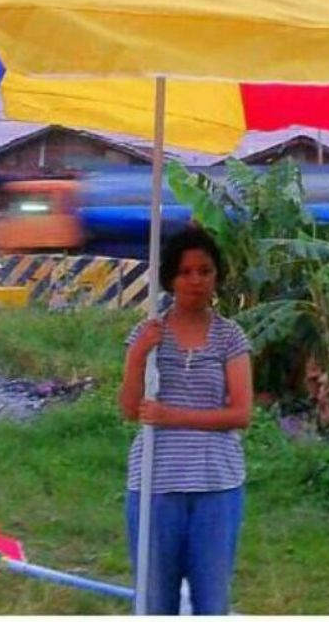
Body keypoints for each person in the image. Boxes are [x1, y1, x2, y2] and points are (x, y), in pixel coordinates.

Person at [119, 226, 253, 615]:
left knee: (211, 599)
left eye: (205, 271)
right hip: (154, 484)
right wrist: (138, 355)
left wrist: (171, 416)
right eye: (185, 271)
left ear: (217, 277)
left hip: (216, 485)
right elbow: (130, 409)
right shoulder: (147, 333)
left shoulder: (230, 337)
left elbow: (240, 414)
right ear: (170, 279)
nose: (196, 280)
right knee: (155, 597)